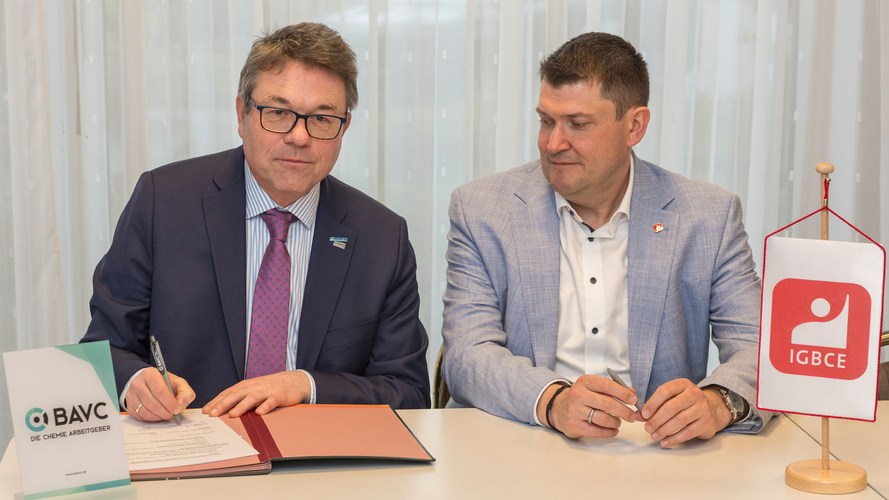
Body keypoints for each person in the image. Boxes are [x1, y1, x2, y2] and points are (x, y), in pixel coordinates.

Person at [81, 23, 430, 422]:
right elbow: (103, 348)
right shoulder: (164, 202)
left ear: (344, 127)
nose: (299, 137)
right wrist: (133, 379)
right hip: (190, 440)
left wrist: (306, 385)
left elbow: (409, 392)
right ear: (241, 114)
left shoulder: (381, 237)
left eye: (321, 118)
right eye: (278, 113)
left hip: (319, 454)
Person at [441, 31, 772, 447]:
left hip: (657, 454)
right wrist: (553, 401)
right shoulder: (481, 210)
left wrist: (718, 402)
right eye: (546, 121)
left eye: (578, 125)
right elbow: (466, 354)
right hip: (520, 442)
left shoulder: (708, 216)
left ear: (634, 126)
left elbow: (760, 349)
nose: (553, 143)